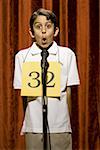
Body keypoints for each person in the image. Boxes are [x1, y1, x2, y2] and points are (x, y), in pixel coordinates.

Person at [13, 8, 80, 150]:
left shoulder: (67, 55)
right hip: (34, 126)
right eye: (38, 27)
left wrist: (66, 123)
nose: (43, 31)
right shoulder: (21, 57)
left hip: (60, 126)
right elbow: (24, 96)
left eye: (48, 26)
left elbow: (68, 92)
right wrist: (28, 121)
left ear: (55, 31)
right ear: (31, 32)